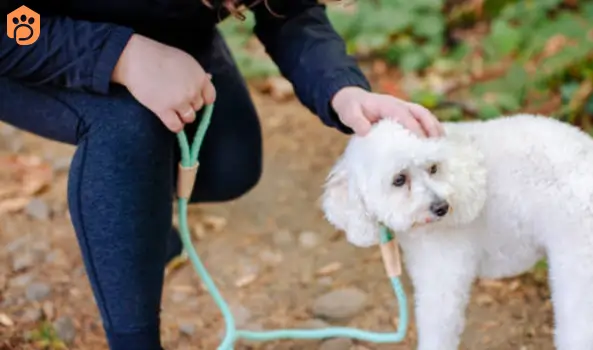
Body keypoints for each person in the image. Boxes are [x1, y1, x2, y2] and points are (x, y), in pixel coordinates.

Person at [0, 0, 444, 349]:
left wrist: (343, 92)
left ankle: (141, 220)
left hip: (160, 26)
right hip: (27, 31)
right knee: (128, 129)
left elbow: (289, 13)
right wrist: (120, 57)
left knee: (231, 166)